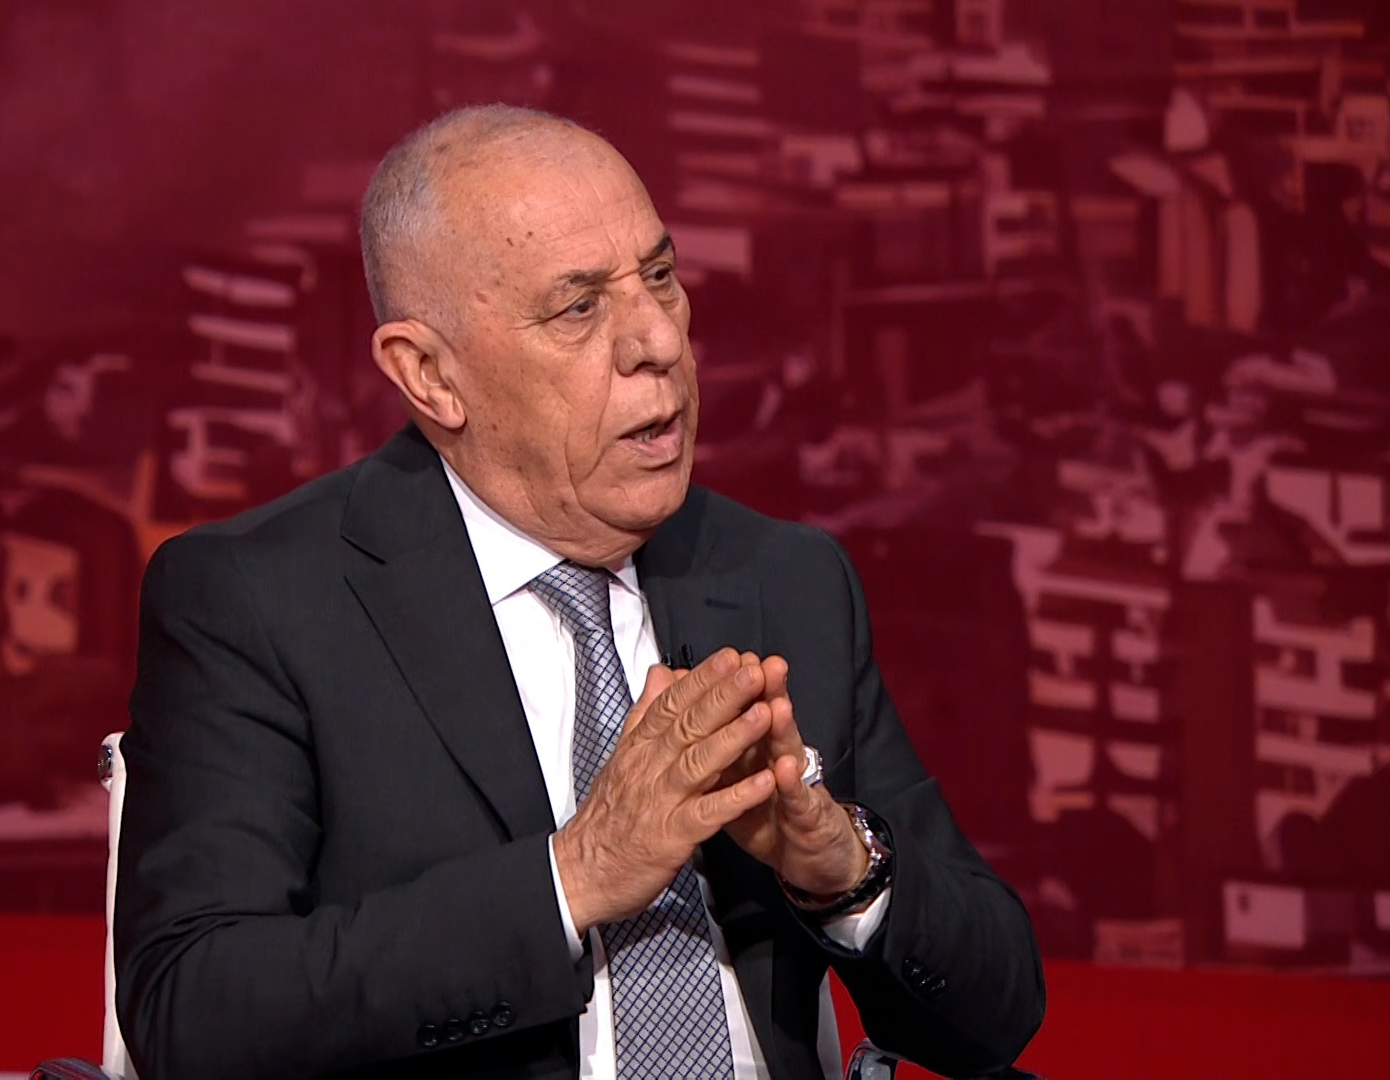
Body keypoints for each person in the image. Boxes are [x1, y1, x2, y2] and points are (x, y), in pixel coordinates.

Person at [115, 104, 1044, 1080]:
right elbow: (194, 1010)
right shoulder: (261, 601)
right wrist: (574, 877)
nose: (658, 340)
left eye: (660, 277)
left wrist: (846, 872)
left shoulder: (783, 578)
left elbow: (998, 1014)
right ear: (429, 375)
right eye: (579, 308)